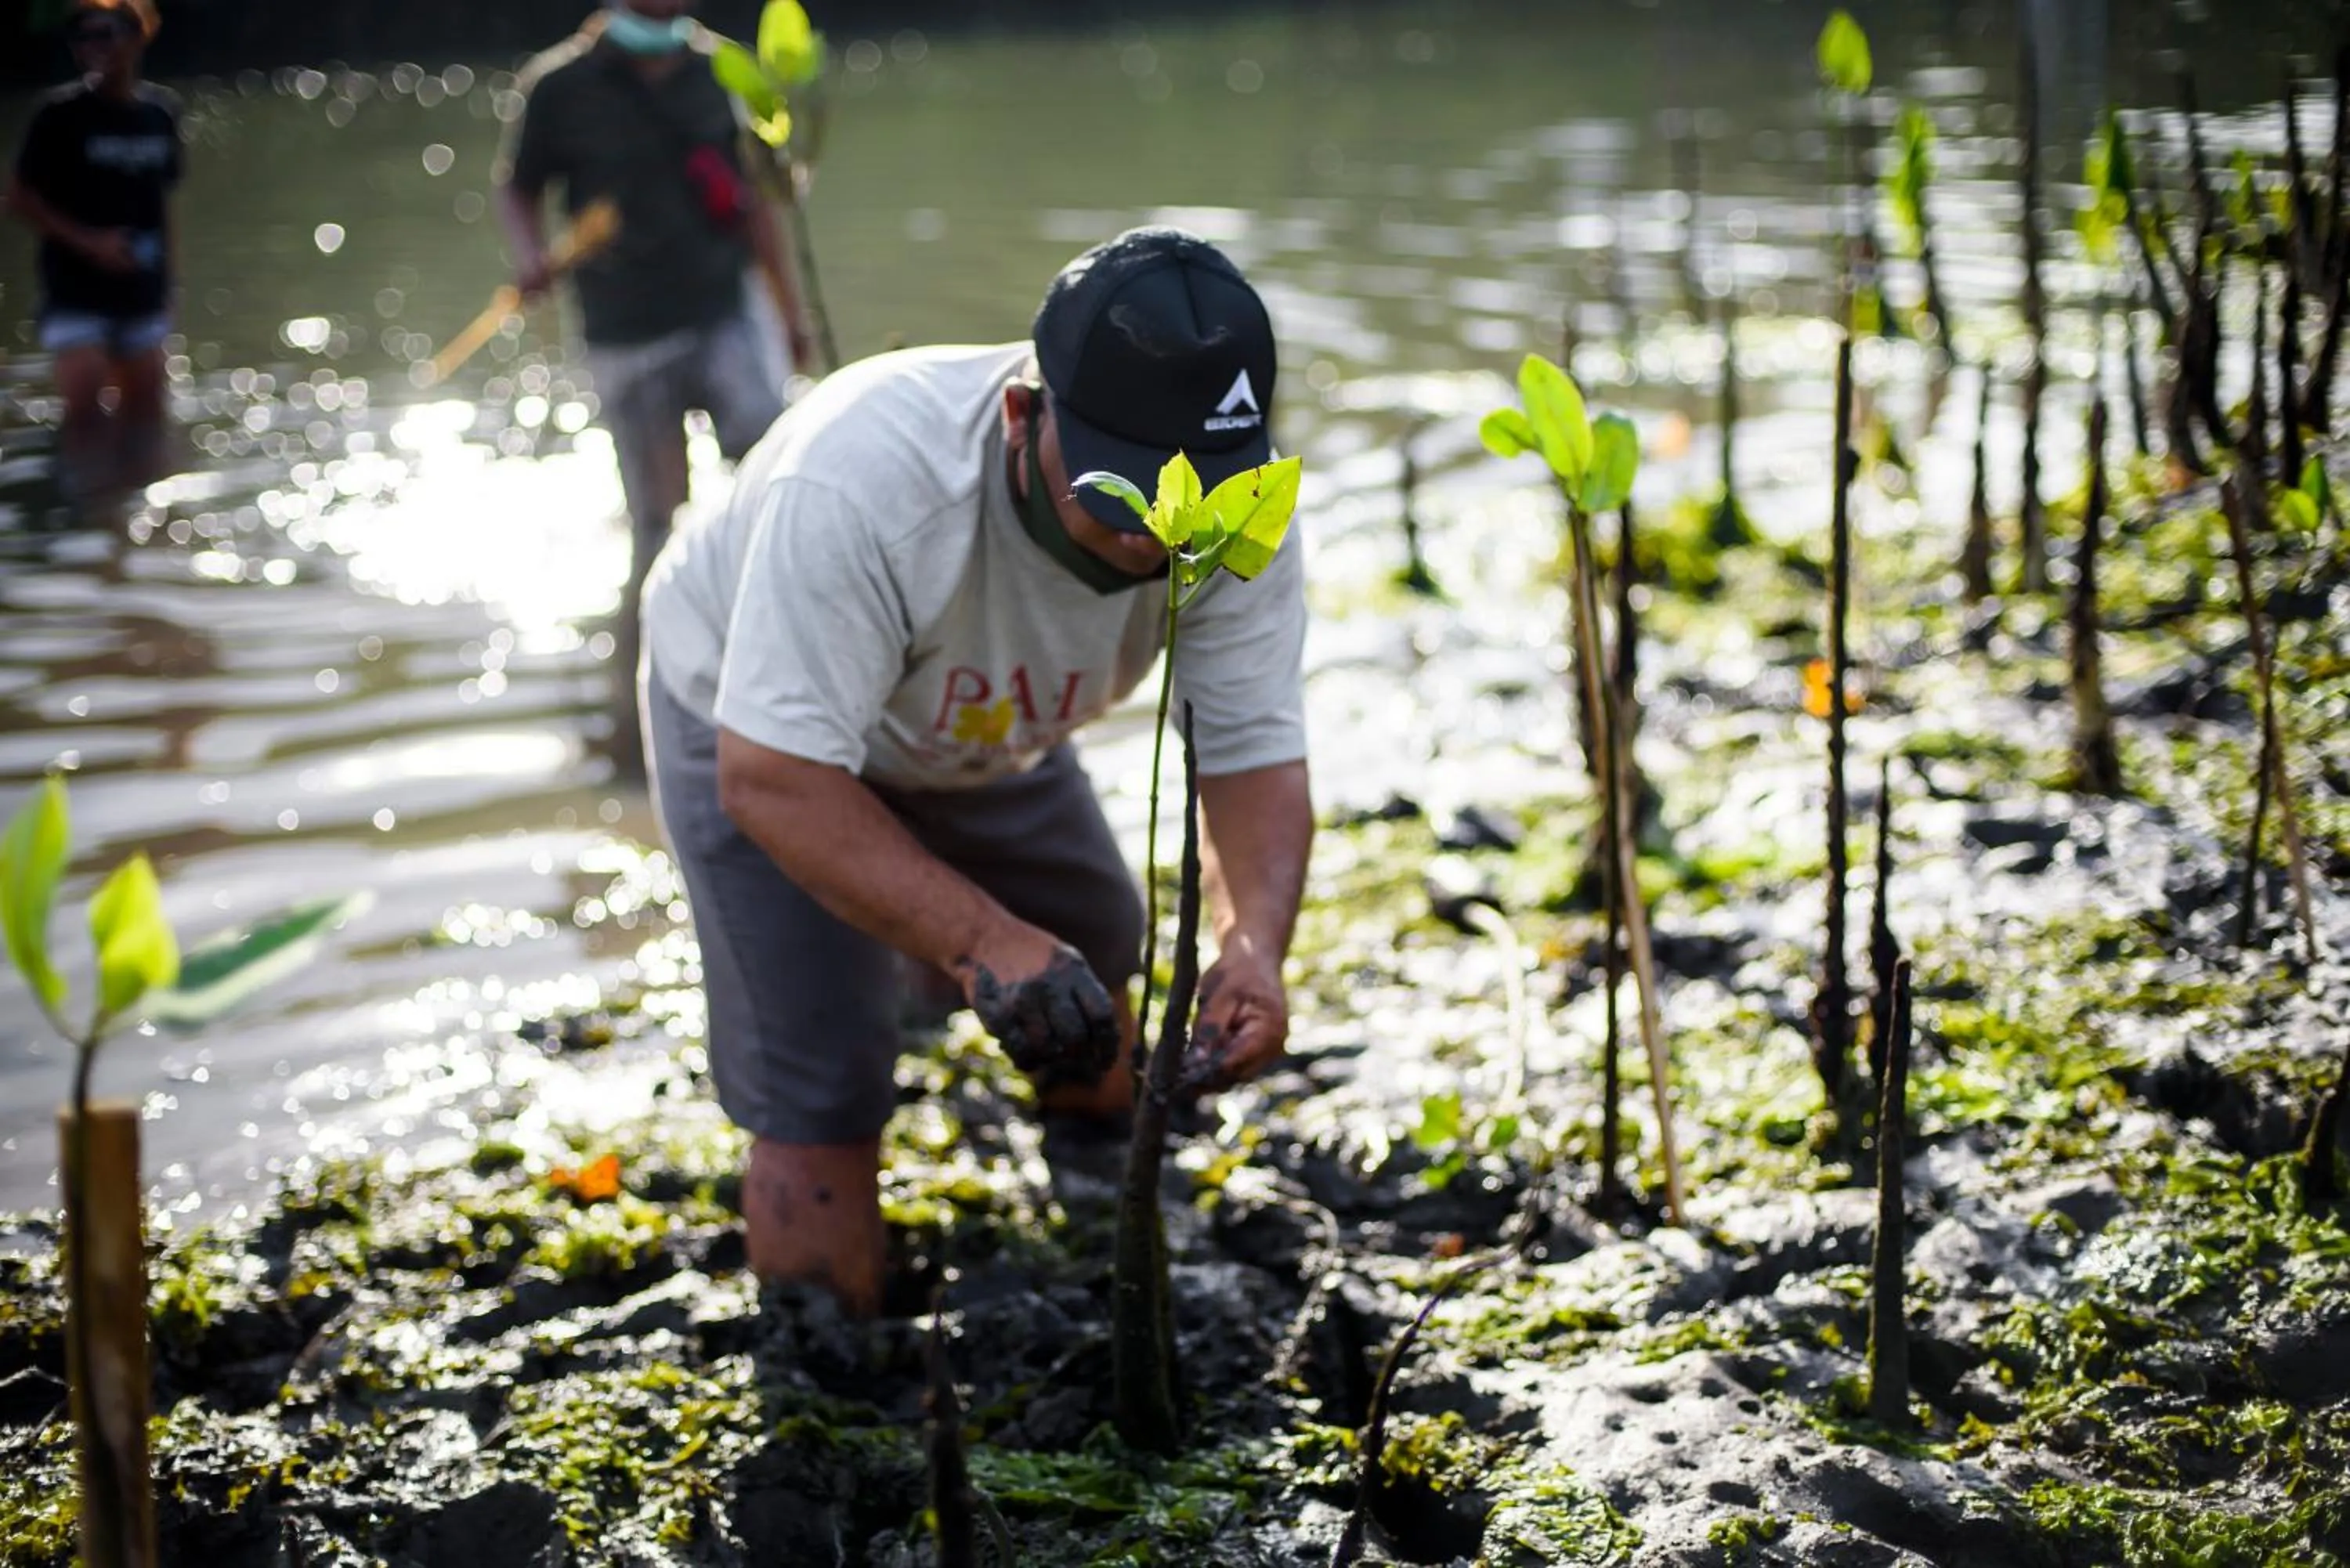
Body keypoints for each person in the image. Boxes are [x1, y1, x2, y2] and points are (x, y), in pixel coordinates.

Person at [639, 227, 1314, 1315]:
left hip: (979, 717)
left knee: (1095, 936)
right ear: (1022, 415)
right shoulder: (862, 483)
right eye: (1129, 495)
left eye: (1193, 498)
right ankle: (826, 1353)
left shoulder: (1235, 519)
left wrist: (1253, 946)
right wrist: (980, 940)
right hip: (761, 725)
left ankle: (1096, 1173)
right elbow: (771, 779)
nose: (1159, 537)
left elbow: (1250, 754)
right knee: (825, 1074)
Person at [494, 0, 815, 766]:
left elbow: (759, 208)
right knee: (656, 525)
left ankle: (782, 664)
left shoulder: (723, 70)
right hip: (626, 332)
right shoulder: (559, 85)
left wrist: (790, 314)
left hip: (725, 315)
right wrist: (529, 256)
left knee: (775, 486)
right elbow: (518, 187)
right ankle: (646, 709)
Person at [5, 0, 181, 512]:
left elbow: (164, 209)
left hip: (143, 291)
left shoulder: (160, 113)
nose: (92, 48)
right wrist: (90, 243)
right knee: (85, 412)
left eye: (104, 35)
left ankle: (147, 512)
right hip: (75, 290)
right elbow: (18, 197)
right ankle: (92, 514)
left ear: (137, 37)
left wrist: (172, 289)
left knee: (147, 414)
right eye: (81, 39)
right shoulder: (58, 116)